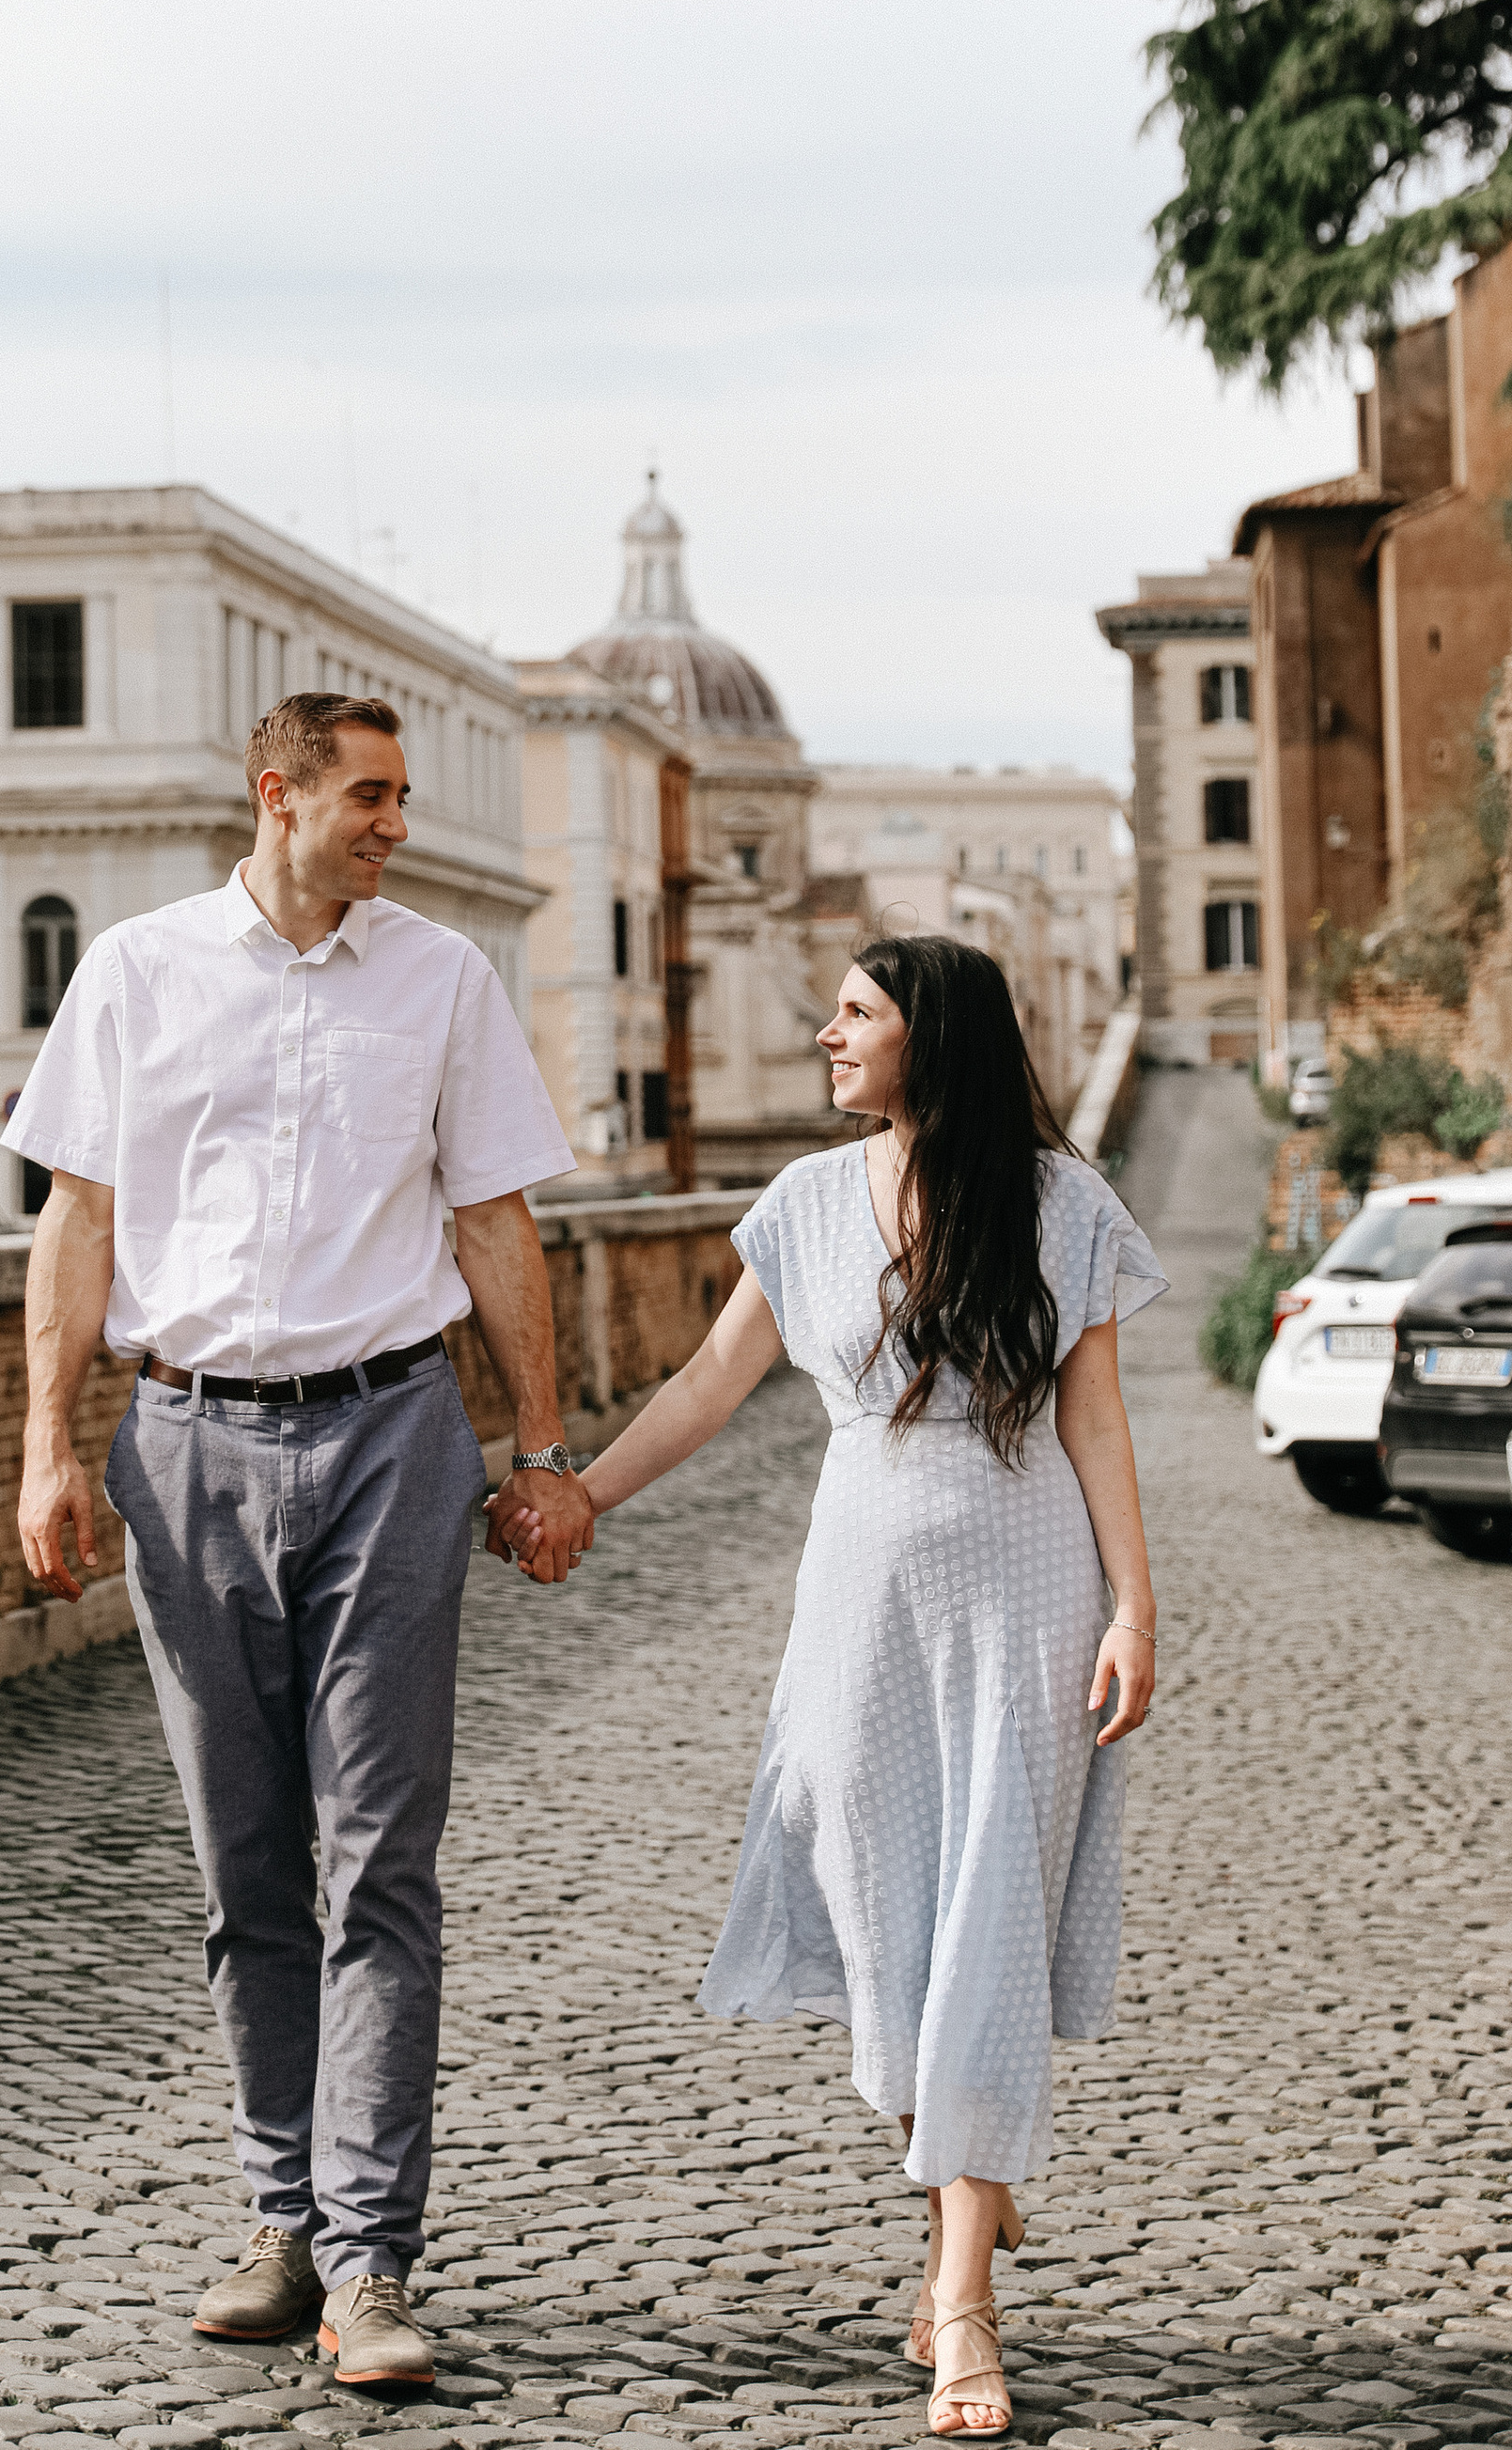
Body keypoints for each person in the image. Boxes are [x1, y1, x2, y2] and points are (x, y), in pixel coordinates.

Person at [11, 691, 590, 2395]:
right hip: (183, 1440)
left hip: (392, 1439)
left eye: (401, 797)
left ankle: (373, 2265)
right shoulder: (135, 970)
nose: (395, 823)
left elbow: (495, 1219)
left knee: (380, 1861)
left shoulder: (443, 979)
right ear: (277, 795)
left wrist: (540, 1447)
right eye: (370, 796)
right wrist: (50, 1443)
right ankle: (284, 2220)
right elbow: (81, 1218)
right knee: (245, 1864)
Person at [513, 934, 1162, 2441]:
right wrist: (581, 1495)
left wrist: (1136, 1607)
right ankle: (958, 2156)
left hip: (1030, 1594)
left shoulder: (1064, 1209)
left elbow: (1103, 1425)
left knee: (988, 1917)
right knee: (875, 1906)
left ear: (931, 1037)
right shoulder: (806, 1204)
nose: (826, 1032)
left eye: (858, 1013)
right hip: (857, 1607)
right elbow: (701, 1387)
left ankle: (960, 2305)